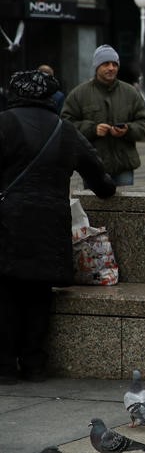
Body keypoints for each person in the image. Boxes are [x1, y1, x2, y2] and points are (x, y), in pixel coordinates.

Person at [0, 70, 116, 384]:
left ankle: (6, 367)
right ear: (50, 97)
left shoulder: (5, 124)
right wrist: (108, 188)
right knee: (39, 293)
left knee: (6, 291)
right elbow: (100, 179)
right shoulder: (63, 130)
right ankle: (35, 365)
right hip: (48, 224)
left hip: (8, 221)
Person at [61, 45, 145, 186]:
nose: (111, 68)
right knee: (94, 207)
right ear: (97, 66)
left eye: (114, 64)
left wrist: (128, 130)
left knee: (126, 206)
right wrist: (92, 129)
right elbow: (65, 125)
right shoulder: (79, 94)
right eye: (106, 64)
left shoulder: (131, 92)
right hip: (93, 166)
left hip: (124, 165)